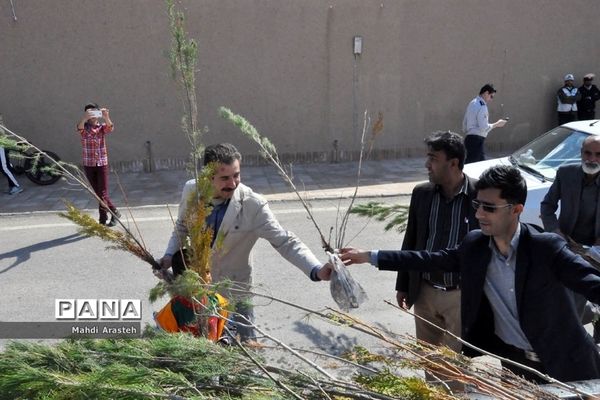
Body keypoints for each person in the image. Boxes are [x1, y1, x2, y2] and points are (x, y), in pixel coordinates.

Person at [341, 165, 600, 383]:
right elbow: (432, 259)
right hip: (516, 364)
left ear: (516, 209)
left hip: (568, 363)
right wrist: (370, 256)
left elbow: (591, 283)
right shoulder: (475, 246)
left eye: (489, 208)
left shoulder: (545, 247)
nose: (478, 214)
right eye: (477, 205)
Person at [158, 143, 332, 341]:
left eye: (236, 175)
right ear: (208, 177)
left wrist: (316, 270)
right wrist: (169, 256)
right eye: (225, 178)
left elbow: (286, 242)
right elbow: (182, 226)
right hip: (199, 291)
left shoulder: (253, 204)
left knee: (246, 347)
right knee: (204, 348)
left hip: (235, 291)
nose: (233, 183)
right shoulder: (192, 189)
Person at [395, 131, 478, 360]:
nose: (426, 164)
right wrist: (403, 284)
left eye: (433, 159)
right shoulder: (422, 194)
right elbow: (411, 240)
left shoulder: (479, 195)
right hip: (425, 293)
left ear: (453, 163)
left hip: (460, 297)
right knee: (429, 363)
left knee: (455, 367)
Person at [540, 135, 600, 341]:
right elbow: (547, 206)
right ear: (581, 153)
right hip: (568, 247)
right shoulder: (566, 174)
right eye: (588, 153)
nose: (592, 159)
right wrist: (554, 231)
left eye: (598, 155)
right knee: (568, 299)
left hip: (596, 254)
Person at [76, 103, 120, 226]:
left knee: (103, 193)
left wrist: (106, 116)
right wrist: (84, 118)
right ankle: (114, 211)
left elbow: (110, 128)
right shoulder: (84, 127)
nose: (93, 116)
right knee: (97, 193)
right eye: (90, 113)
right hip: (89, 164)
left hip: (102, 163)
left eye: (95, 112)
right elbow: (80, 129)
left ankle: (102, 219)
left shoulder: (101, 127)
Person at [462, 84, 507, 164]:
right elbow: (484, 127)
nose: (491, 100)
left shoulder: (472, 103)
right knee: (473, 167)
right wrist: (497, 124)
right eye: (491, 96)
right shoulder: (482, 106)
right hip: (476, 141)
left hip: (470, 139)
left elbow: (464, 123)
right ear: (486, 93)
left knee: (477, 165)